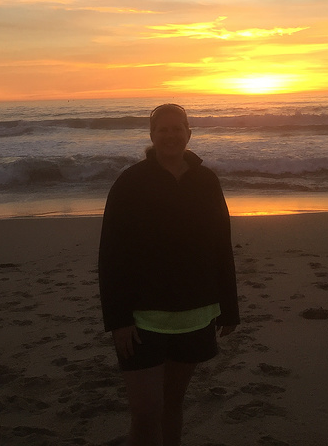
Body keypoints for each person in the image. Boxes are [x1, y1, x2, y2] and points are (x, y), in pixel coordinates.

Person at [98, 103, 239, 446]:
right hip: (143, 317)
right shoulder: (131, 182)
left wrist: (229, 307)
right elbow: (111, 253)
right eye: (163, 129)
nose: (171, 135)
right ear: (152, 135)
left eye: (178, 129)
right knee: (146, 410)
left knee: (173, 403)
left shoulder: (206, 180)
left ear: (189, 133)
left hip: (196, 312)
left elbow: (221, 243)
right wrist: (117, 319)